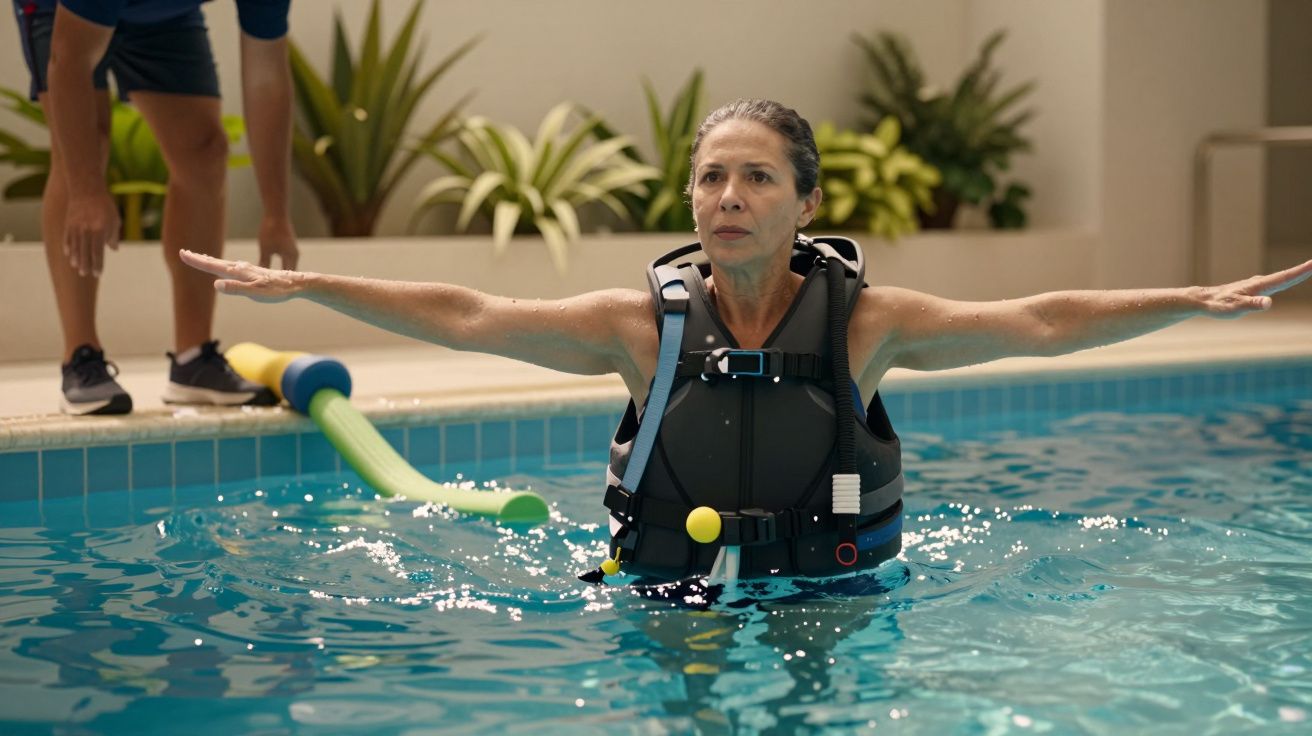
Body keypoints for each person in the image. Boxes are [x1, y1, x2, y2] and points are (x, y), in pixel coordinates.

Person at [181, 98, 1312, 586]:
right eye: (711, 176)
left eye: (755, 176)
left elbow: (1039, 320)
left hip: (829, 593)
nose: (727, 195)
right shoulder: (640, 330)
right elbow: (470, 313)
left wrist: (1193, 297)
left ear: (803, 202)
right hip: (665, 588)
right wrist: (313, 284)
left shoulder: (866, 325)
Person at [13, 0, 299, 415]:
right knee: (82, 150)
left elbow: (267, 76)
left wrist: (276, 211)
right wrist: (87, 191)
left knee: (204, 151)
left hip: (165, 15)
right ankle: (81, 358)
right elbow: (69, 57)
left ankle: (192, 361)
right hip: (62, 14)